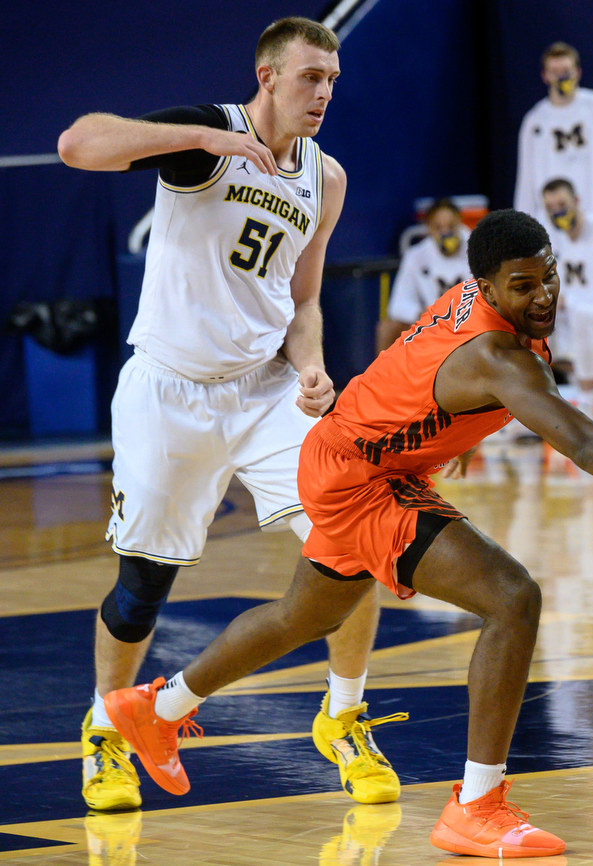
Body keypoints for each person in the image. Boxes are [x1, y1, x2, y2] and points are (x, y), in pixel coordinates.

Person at [102, 210, 593, 858]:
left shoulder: (478, 299)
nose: (543, 296)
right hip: (360, 478)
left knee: (302, 615)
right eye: (523, 286)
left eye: (549, 278)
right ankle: (476, 806)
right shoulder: (497, 358)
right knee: (513, 597)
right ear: (487, 288)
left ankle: (154, 708)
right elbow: (584, 442)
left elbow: (413, 361)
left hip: (343, 451)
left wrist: (452, 435)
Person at [56, 17, 398, 812]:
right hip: (169, 388)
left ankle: (344, 717)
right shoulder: (208, 133)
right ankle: (107, 727)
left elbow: (303, 299)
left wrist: (312, 366)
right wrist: (206, 144)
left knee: (355, 539)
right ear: (268, 75)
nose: (324, 93)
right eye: (311, 76)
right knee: (142, 586)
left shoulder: (326, 177)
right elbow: (78, 143)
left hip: (264, 390)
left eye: (334, 80)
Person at [514, 42, 593, 222]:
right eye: (554, 71)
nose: (561, 77)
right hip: (551, 225)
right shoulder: (535, 121)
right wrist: (522, 226)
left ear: (578, 72)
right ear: (544, 76)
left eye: (566, 71)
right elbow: (526, 182)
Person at [541, 178, 593, 418]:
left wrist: (568, 299)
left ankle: (588, 402)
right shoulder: (550, 239)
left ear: (576, 201)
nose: (557, 212)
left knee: (583, 315)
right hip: (568, 312)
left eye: (562, 204)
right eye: (550, 208)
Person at [376, 198, 470, 352]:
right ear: (428, 229)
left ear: (460, 223)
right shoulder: (416, 256)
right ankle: (380, 376)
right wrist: (420, 313)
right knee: (387, 328)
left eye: (451, 226)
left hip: (469, 321)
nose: (446, 233)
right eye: (439, 227)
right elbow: (397, 306)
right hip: (430, 323)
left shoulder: (476, 248)